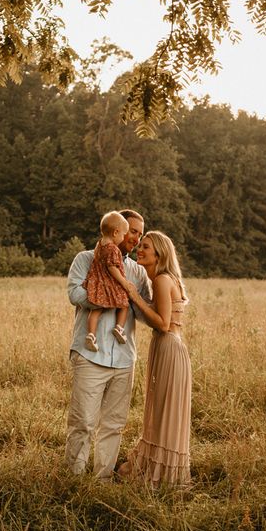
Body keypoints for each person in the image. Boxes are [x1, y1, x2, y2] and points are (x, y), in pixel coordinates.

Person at [65, 209, 151, 481]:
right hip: (90, 355)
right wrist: (111, 296)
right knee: (83, 423)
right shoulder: (85, 259)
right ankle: (74, 480)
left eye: (139, 233)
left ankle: (101, 480)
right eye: (131, 231)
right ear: (119, 230)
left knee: (114, 425)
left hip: (125, 359)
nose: (135, 238)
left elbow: (146, 308)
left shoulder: (138, 272)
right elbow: (74, 293)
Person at [118, 231, 191, 489]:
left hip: (169, 346)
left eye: (146, 247)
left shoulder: (161, 280)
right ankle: (158, 466)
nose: (140, 249)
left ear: (159, 254)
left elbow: (162, 323)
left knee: (162, 411)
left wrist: (134, 295)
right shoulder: (164, 279)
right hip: (171, 348)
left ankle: (159, 473)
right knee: (162, 410)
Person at [82, 211, 132, 353]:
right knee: (124, 304)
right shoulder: (113, 249)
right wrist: (124, 282)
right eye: (123, 234)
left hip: (97, 283)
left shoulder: (99, 246)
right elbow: (112, 268)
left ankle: (91, 335)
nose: (123, 238)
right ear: (116, 232)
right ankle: (119, 328)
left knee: (96, 310)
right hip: (108, 284)